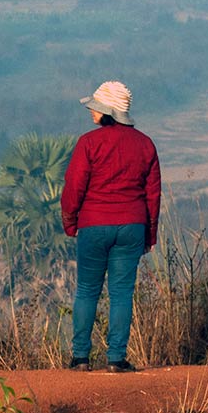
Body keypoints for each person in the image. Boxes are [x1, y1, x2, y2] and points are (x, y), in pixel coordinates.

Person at [61, 80, 161, 373]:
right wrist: (149, 235)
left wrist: (70, 221)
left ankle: (80, 358)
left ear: (108, 111)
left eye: (96, 107)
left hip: (93, 224)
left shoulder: (89, 143)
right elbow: (153, 194)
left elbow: (74, 187)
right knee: (121, 293)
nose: (91, 111)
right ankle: (116, 359)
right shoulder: (145, 144)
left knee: (87, 290)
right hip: (132, 225)